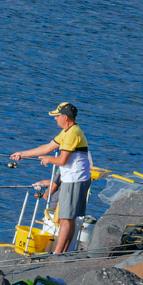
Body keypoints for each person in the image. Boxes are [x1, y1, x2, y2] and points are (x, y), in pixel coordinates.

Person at [10, 102, 92, 254]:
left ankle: (57, 255)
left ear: (65, 117)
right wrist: (22, 153)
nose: (55, 119)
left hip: (74, 179)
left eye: (57, 116)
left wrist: (49, 159)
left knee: (65, 219)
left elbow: (61, 160)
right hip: (75, 179)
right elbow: (48, 147)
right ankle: (63, 253)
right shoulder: (68, 131)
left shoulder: (72, 134)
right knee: (70, 218)